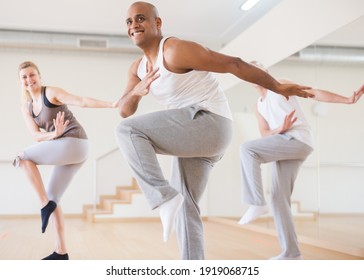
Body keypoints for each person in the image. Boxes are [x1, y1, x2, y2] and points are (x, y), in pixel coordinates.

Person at [114, 1, 314, 260]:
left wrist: (277, 86)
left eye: (140, 19)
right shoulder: (137, 69)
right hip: (194, 133)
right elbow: (124, 109)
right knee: (187, 206)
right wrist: (137, 90)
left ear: (157, 23)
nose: (134, 26)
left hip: (210, 122)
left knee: (127, 132)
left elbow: (235, 64)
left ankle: (164, 197)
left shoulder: (175, 50)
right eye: (129, 22)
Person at [238, 61, 364, 260]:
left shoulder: (280, 85)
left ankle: (256, 202)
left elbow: (312, 93)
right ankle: (291, 253)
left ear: (265, 71)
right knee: (279, 198)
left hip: (297, 140)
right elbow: (265, 133)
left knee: (247, 149)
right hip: (285, 142)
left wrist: (347, 100)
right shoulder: (258, 106)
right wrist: (279, 129)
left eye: (258, 68)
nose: (253, 73)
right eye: (248, 71)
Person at [14, 61, 117, 260]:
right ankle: (61, 252)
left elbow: (81, 101)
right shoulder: (26, 107)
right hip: (68, 148)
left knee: (22, 157)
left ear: (39, 75)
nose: (29, 80)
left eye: (32, 75)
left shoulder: (50, 93)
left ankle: (44, 205)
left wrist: (111, 104)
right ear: (20, 82)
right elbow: (36, 136)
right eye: (24, 77)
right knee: (53, 197)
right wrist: (54, 135)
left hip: (75, 142)